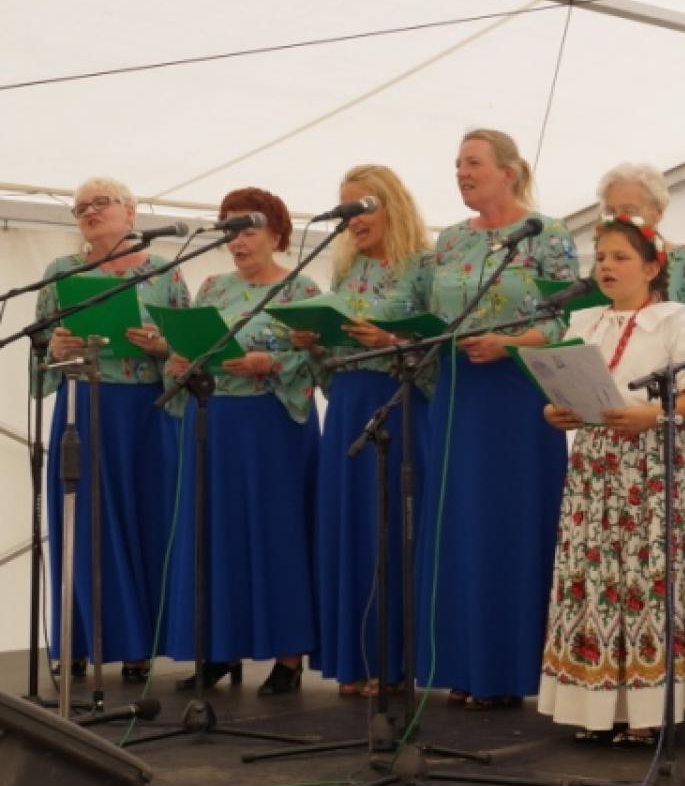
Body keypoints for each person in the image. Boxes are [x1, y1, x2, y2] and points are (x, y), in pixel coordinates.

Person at [391, 128, 576, 708]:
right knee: (460, 525)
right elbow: (429, 310)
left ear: (509, 172)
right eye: (457, 164)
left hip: (519, 396)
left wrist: (510, 343)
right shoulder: (450, 240)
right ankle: (464, 664)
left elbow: (564, 320)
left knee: (512, 524)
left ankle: (514, 669)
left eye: (473, 163)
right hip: (459, 392)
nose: (462, 173)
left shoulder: (548, 234)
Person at [538, 215, 685, 743]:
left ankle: (648, 711)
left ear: (652, 266)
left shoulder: (676, 320)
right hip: (595, 466)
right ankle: (599, 707)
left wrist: (655, 416)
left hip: (653, 464)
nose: (607, 266)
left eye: (620, 257)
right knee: (596, 578)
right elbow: (563, 390)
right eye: (600, 257)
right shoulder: (585, 321)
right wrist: (556, 412)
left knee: (647, 579)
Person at [156, 187, 318, 694]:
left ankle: (289, 656)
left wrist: (271, 363)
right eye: (229, 229)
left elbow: (321, 357)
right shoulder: (212, 288)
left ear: (277, 232)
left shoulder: (301, 289)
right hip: (216, 421)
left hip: (273, 425)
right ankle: (220, 648)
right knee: (216, 534)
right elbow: (190, 347)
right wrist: (180, 361)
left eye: (247, 228)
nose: (237, 240)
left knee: (277, 534)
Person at [33, 177, 189, 684]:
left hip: (144, 412)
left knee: (143, 519)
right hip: (82, 405)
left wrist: (161, 348)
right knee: (81, 523)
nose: (90, 212)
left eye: (101, 203)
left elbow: (189, 346)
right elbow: (41, 343)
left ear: (131, 212)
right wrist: (54, 349)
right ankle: (76, 639)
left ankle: (138, 646)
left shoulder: (164, 271)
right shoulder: (61, 271)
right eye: (81, 207)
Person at [292, 164, 431, 696]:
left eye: (363, 206)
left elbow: (439, 343)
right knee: (347, 526)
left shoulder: (424, 265)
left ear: (393, 204)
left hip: (397, 399)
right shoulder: (347, 272)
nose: (354, 219)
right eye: (347, 209)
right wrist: (313, 343)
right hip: (348, 404)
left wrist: (391, 342)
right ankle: (354, 660)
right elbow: (331, 358)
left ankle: (394, 663)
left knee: (388, 526)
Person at [596, 162, 685, 657]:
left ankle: (681, 637)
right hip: (615, 428)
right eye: (611, 211)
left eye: (631, 209)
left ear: (658, 211)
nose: (620, 218)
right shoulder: (604, 272)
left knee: (673, 539)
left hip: (678, 415)